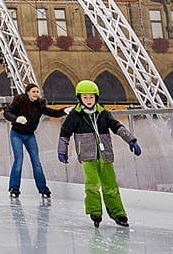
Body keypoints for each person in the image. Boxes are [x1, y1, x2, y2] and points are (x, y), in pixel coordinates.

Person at [58, 79, 141, 228]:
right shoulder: (75, 115)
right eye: (85, 97)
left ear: (96, 98)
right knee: (92, 184)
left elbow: (117, 127)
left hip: (105, 154)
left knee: (110, 185)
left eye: (91, 97)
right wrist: (62, 151)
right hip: (87, 155)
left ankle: (118, 213)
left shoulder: (103, 113)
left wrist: (131, 140)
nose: (88, 100)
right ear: (80, 98)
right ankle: (95, 212)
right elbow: (65, 133)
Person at [2, 84, 64, 198]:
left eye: (37, 92)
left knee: (36, 162)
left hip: (30, 135)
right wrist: (16, 119)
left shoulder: (39, 105)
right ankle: (14, 188)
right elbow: (6, 112)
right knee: (19, 160)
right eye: (34, 92)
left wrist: (65, 110)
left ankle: (43, 189)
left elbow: (53, 113)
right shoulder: (19, 102)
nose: (36, 94)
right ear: (28, 92)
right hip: (17, 134)